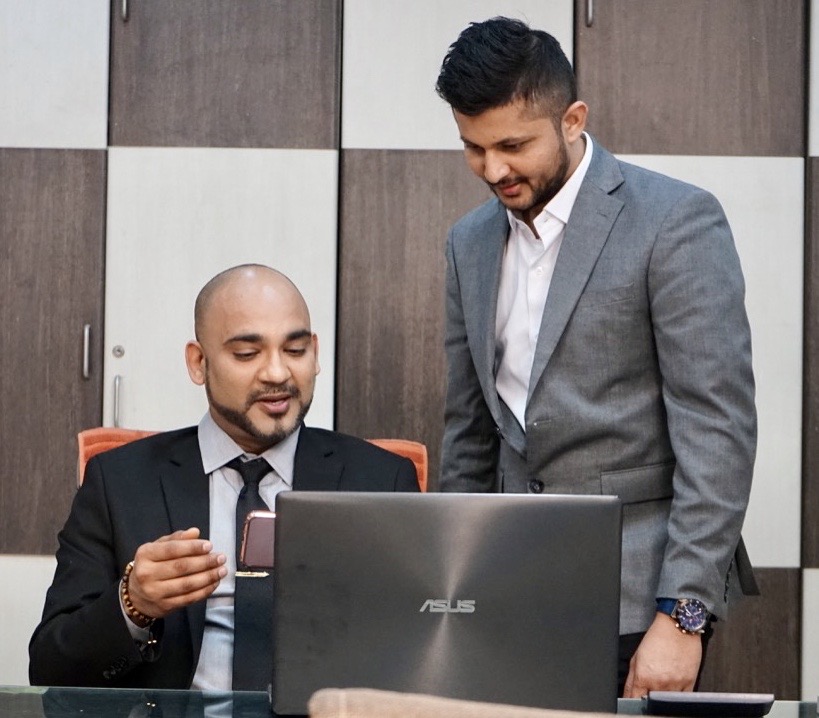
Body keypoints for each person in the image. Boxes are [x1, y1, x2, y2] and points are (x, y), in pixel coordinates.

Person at [435, 17, 757, 698]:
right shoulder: (467, 242)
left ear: (572, 119)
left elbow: (716, 431)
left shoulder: (675, 221)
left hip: (639, 598)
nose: (493, 170)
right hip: (503, 594)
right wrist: (450, 590)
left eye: (513, 145)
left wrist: (684, 615)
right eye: (473, 148)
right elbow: (469, 434)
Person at [29, 264, 419, 690]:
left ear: (316, 352)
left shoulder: (382, 479)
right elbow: (50, 669)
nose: (277, 374)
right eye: (247, 354)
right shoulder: (119, 481)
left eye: (295, 350)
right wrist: (134, 603)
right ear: (199, 363)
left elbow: (417, 658)